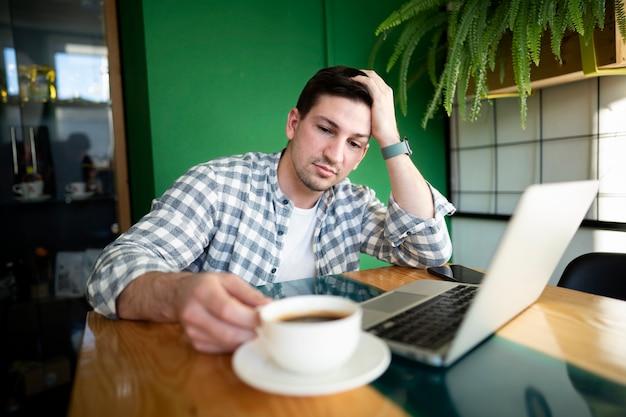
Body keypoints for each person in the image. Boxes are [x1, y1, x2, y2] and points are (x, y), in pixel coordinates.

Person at [86, 66, 456, 354]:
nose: (335, 155)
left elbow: (428, 252)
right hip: (218, 364)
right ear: (294, 123)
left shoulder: (353, 204)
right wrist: (178, 293)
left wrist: (390, 139)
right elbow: (112, 268)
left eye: (355, 143)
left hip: (314, 359)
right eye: (326, 129)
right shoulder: (218, 184)